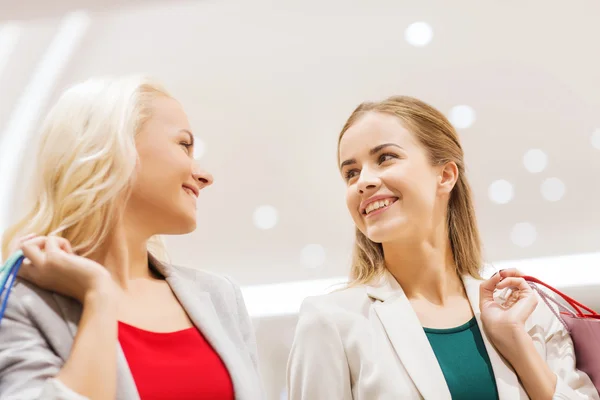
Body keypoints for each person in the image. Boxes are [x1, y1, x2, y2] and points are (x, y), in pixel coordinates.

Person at [286, 96, 599, 400]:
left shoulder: (523, 312)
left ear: (446, 175)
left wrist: (517, 345)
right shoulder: (330, 321)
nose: (363, 182)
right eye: (350, 173)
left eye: (385, 158)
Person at [0, 76, 264, 400]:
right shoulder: (20, 303)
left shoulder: (221, 296)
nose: (205, 175)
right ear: (112, 146)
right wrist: (99, 297)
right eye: (184, 144)